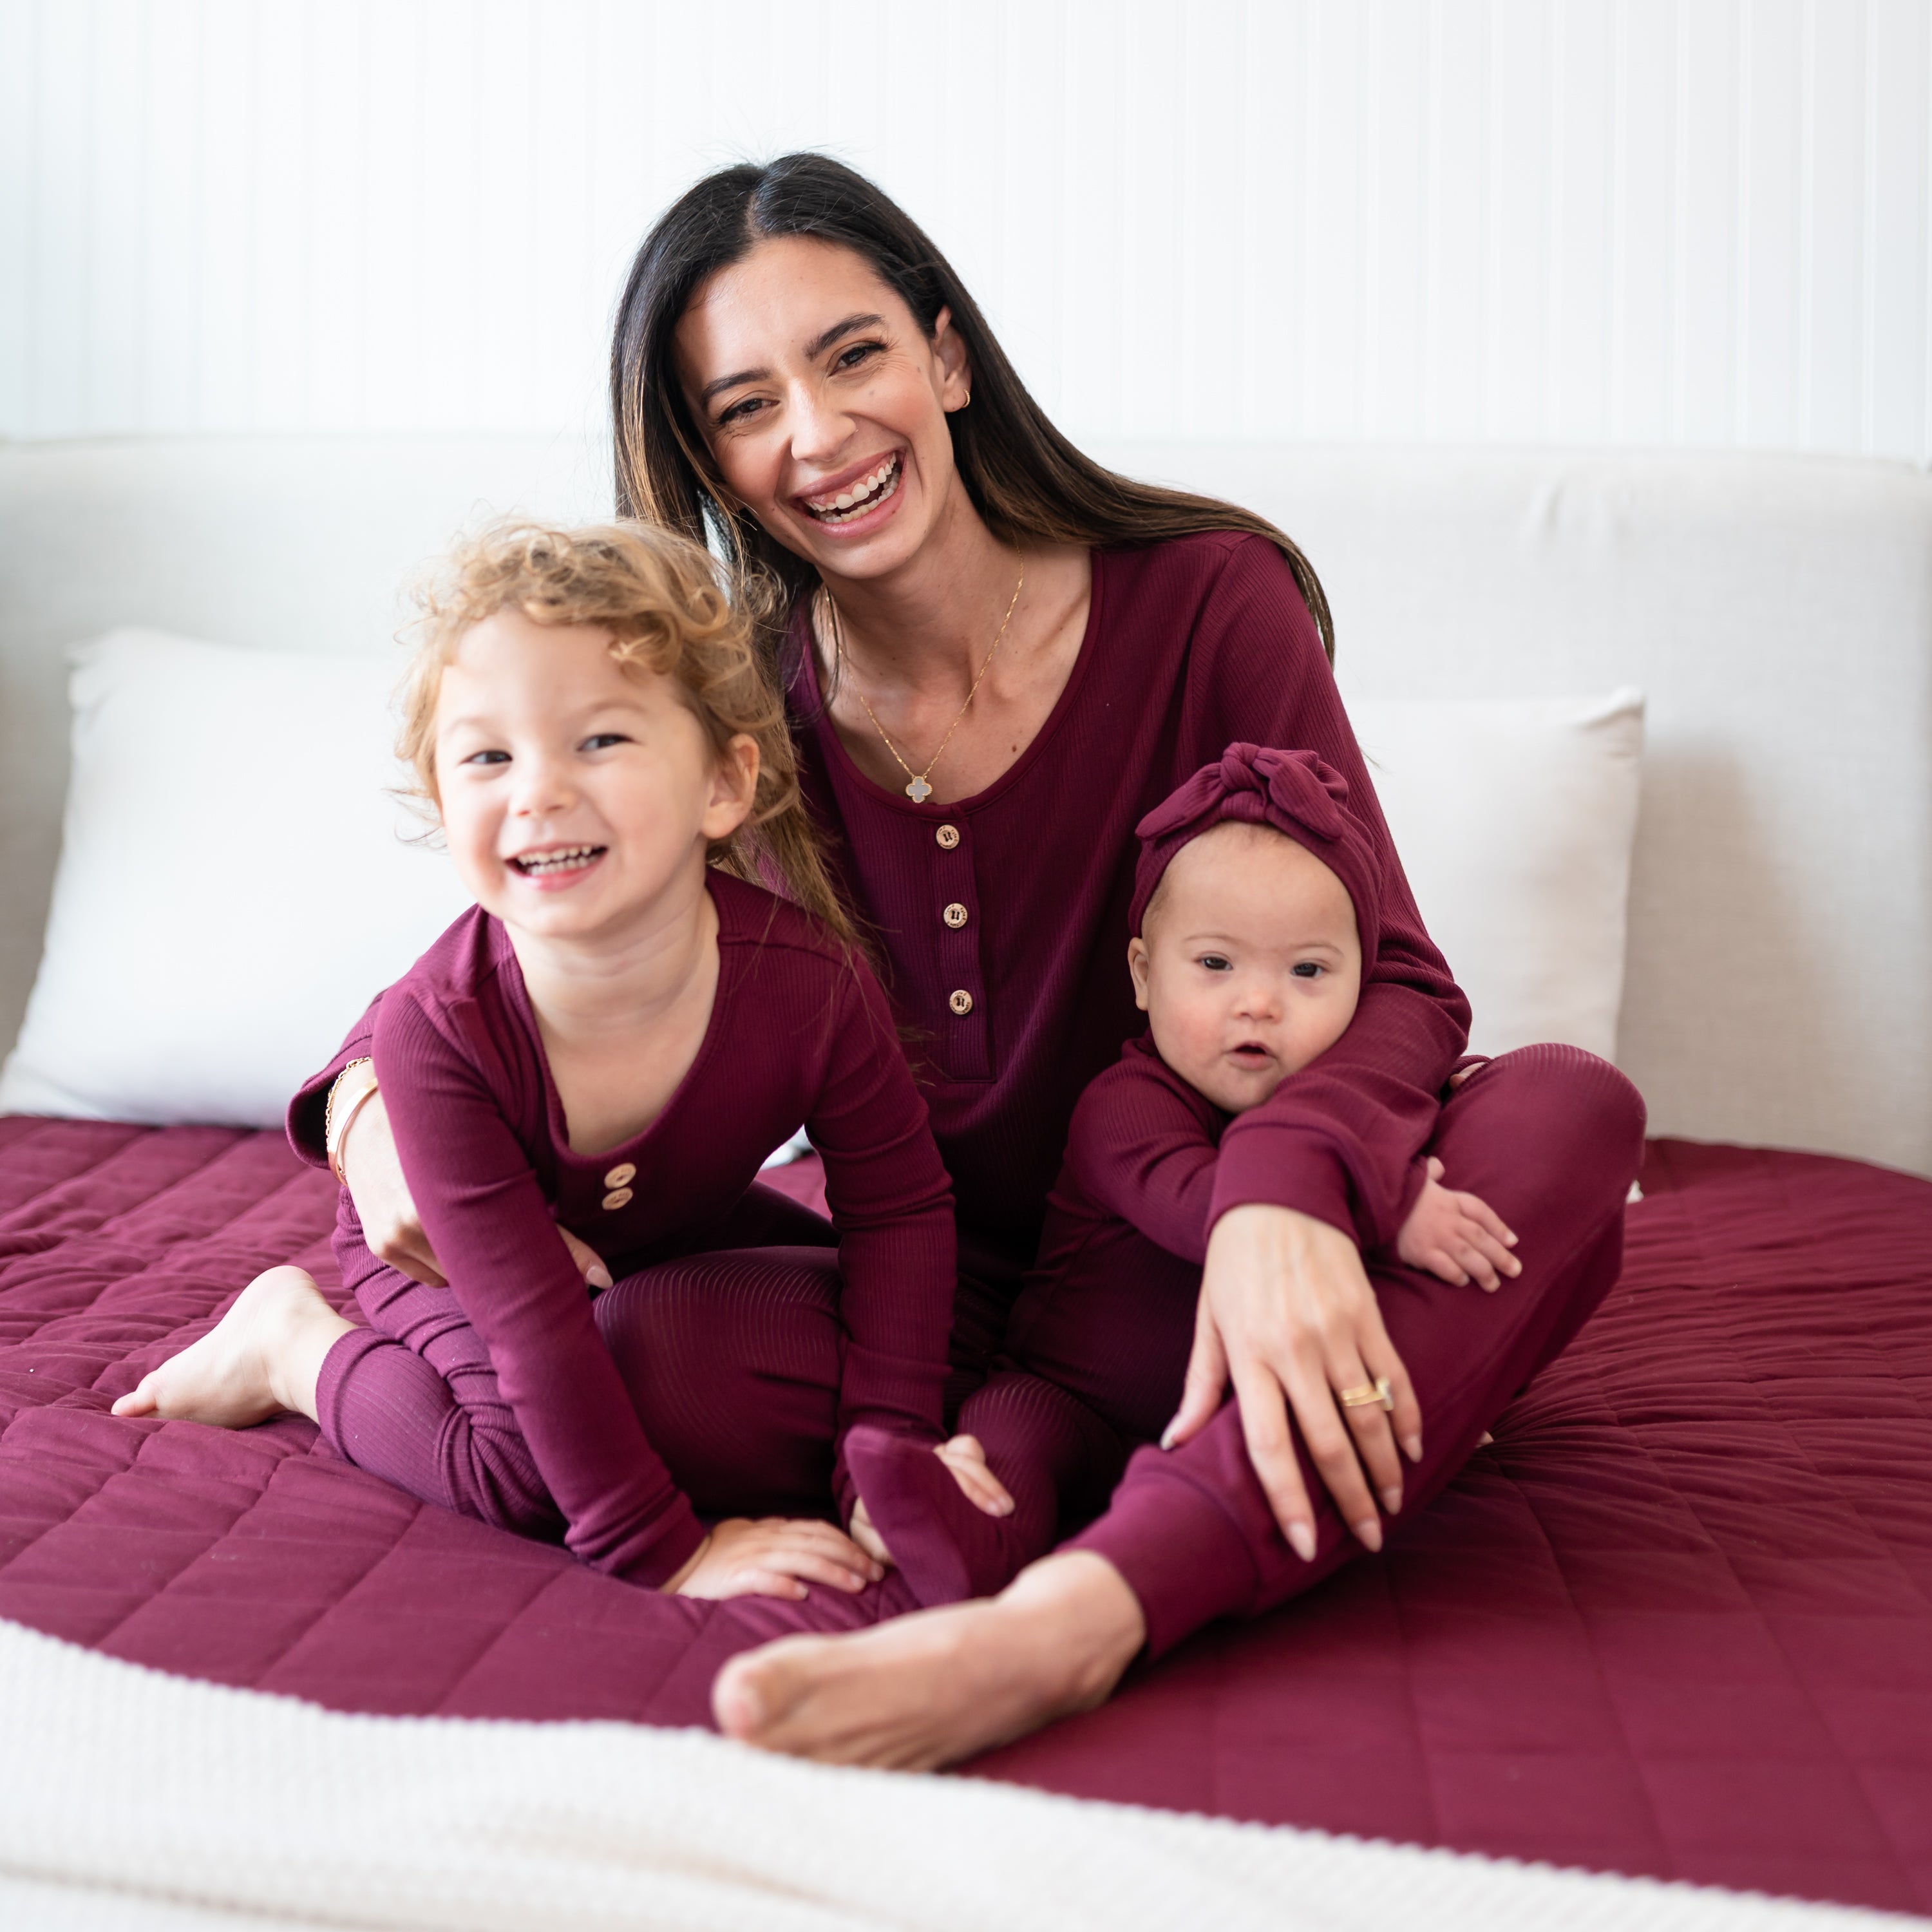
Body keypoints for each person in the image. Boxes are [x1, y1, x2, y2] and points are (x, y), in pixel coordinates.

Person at [296, 153, 1646, 1765]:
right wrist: (371, 1099)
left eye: (852, 355)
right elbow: (503, 934)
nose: (815, 434)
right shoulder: (742, 723)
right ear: (709, 462)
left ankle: (1071, 1619)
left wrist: (1285, 1188)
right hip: (917, 1315)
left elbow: (1404, 983)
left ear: (945, 356)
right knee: (644, 1356)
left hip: (1213, 1236)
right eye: (744, 405)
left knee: (1566, 1118)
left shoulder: (1211, 604)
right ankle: (1112, 1463)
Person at [115, 518, 987, 1604]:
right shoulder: (439, 1037)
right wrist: (669, 1552)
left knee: (944, 1333)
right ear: (444, 801)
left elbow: (898, 1210)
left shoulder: (808, 984)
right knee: (523, 1471)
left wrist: (885, 1442)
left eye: (600, 741)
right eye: (488, 756)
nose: (537, 790)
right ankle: (292, 1348)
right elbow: (534, 1325)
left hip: (676, 1214)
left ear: (724, 784)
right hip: (447, 1255)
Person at [846, 742, 1524, 1607]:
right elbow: (1214, 1208)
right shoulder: (1125, 1107)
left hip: (1227, 1406)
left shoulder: (1345, 1111)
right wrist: (1387, 1203)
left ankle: (1175, 1534)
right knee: (1009, 1444)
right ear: (1142, 974)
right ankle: (960, 1530)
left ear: (1365, 986)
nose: (1258, 1003)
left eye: (1308, 972)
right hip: (1072, 1397)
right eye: (1214, 965)